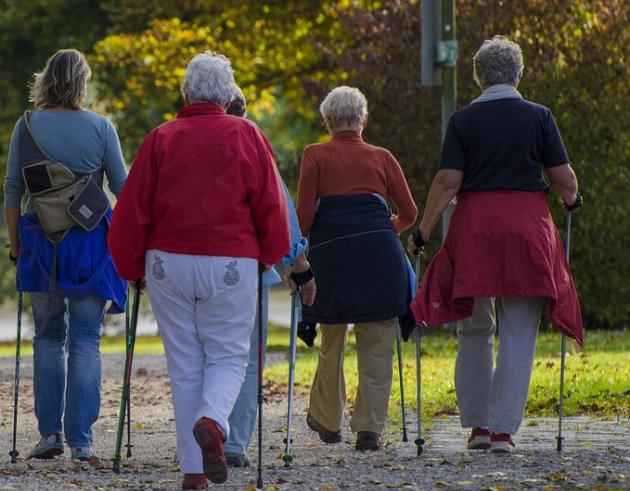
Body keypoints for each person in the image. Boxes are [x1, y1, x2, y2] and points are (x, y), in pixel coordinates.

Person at [108, 51, 290, 490]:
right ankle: (213, 420)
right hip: (230, 259)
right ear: (229, 94)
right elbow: (270, 204)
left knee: (185, 362)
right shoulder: (247, 134)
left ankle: (193, 470)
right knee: (228, 354)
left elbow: (133, 210)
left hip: (168, 260)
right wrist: (270, 253)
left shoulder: (161, 138)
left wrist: (131, 266)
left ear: (185, 92)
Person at [408, 36, 583, 454]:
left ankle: (479, 427)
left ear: (478, 76)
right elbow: (563, 179)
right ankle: (505, 431)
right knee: (519, 332)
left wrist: (423, 232)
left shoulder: (463, 120)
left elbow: (447, 182)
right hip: (527, 229)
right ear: (518, 74)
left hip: (475, 230)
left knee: (474, 327)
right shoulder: (539, 116)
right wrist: (573, 200)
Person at [4, 49, 128, 462]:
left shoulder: (26, 127)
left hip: (40, 239)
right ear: (82, 82)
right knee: (86, 338)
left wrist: (15, 243)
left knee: (47, 335)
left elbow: (12, 190)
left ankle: (48, 434)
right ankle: (82, 441)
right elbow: (122, 190)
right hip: (91, 241)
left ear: (45, 80)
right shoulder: (101, 127)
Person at [295, 86, 418, 452]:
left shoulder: (314, 155)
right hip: (379, 257)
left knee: (332, 339)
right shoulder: (382, 157)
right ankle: (369, 430)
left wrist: (298, 254)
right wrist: (382, 231)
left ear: (328, 121)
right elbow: (410, 214)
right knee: (378, 341)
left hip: (331, 257)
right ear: (363, 119)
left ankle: (328, 420)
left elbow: (304, 215)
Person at [223, 88, 313, 468]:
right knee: (247, 357)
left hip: (193, 267)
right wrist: (299, 266)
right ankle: (235, 443)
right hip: (250, 269)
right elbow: (280, 210)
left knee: (207, 356)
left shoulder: (182, 141)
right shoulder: (254, 144)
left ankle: (206, 432)